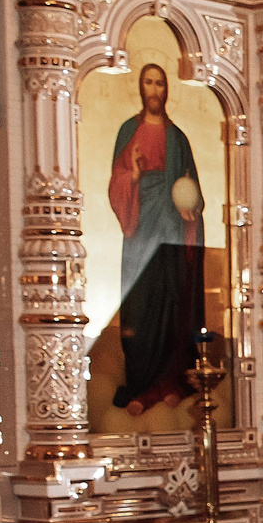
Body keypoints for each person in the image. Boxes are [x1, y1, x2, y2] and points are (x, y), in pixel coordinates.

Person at [106, 63, 203, 413]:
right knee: (141, 302)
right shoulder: (127, 132)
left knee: (171, 300)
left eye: (160, 83)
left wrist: (191, 210)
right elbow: (116, 184)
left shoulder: (178, 138)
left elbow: (193, 190)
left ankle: (171, 381)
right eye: (148, 82)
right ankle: (141, 385)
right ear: (141, 87)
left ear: (166, 90)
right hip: (141, 226)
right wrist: (132, 174)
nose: (154, 89)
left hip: (172, 228)